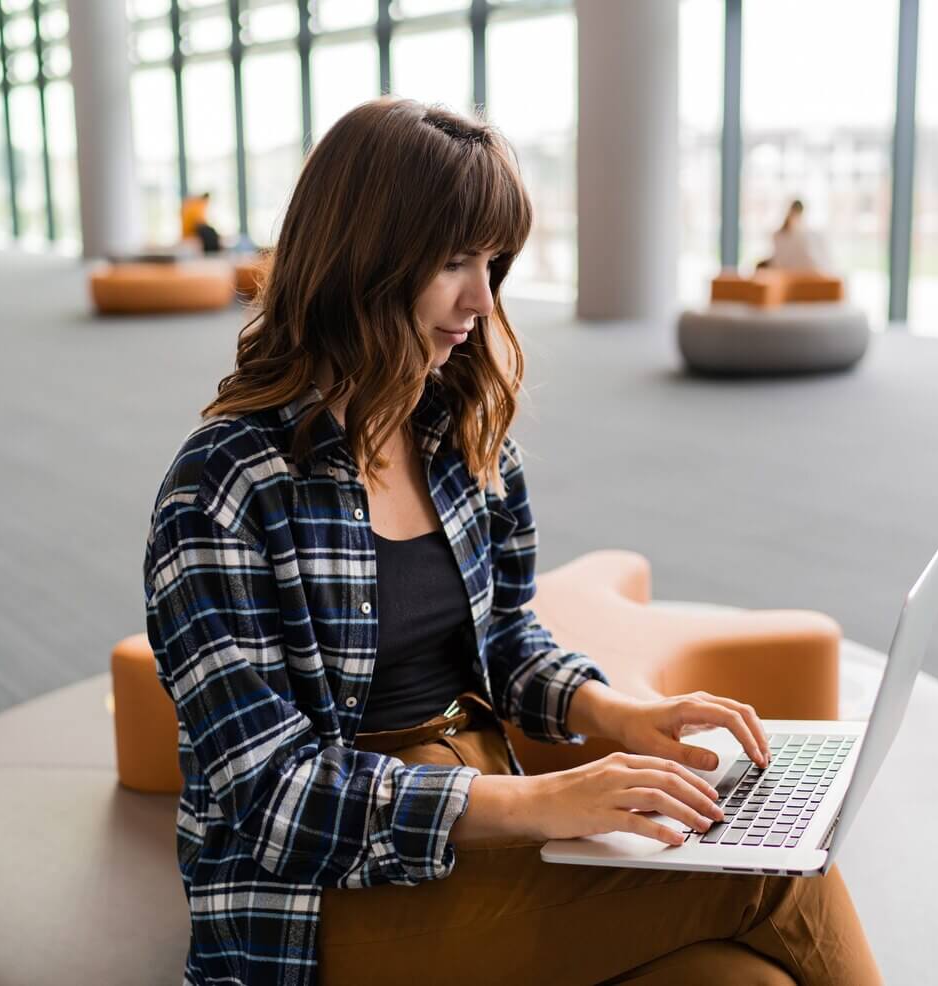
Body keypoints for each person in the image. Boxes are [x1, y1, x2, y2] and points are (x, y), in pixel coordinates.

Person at [143, 97, 882, 986]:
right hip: (319, 905)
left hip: (486, 821)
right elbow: (268, 796)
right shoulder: (223, 487)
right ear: (360, 259)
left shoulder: (458, 437)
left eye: (492, 262)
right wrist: (540, 801)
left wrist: (622, 716)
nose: (481, 299)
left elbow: (504, 641)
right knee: (776, 877)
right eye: (453, 261)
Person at [757, 199, 828, 272]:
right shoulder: (810, 235)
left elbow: (780, 262)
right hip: (808, 273)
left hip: (798, 274)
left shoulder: (806, 235)